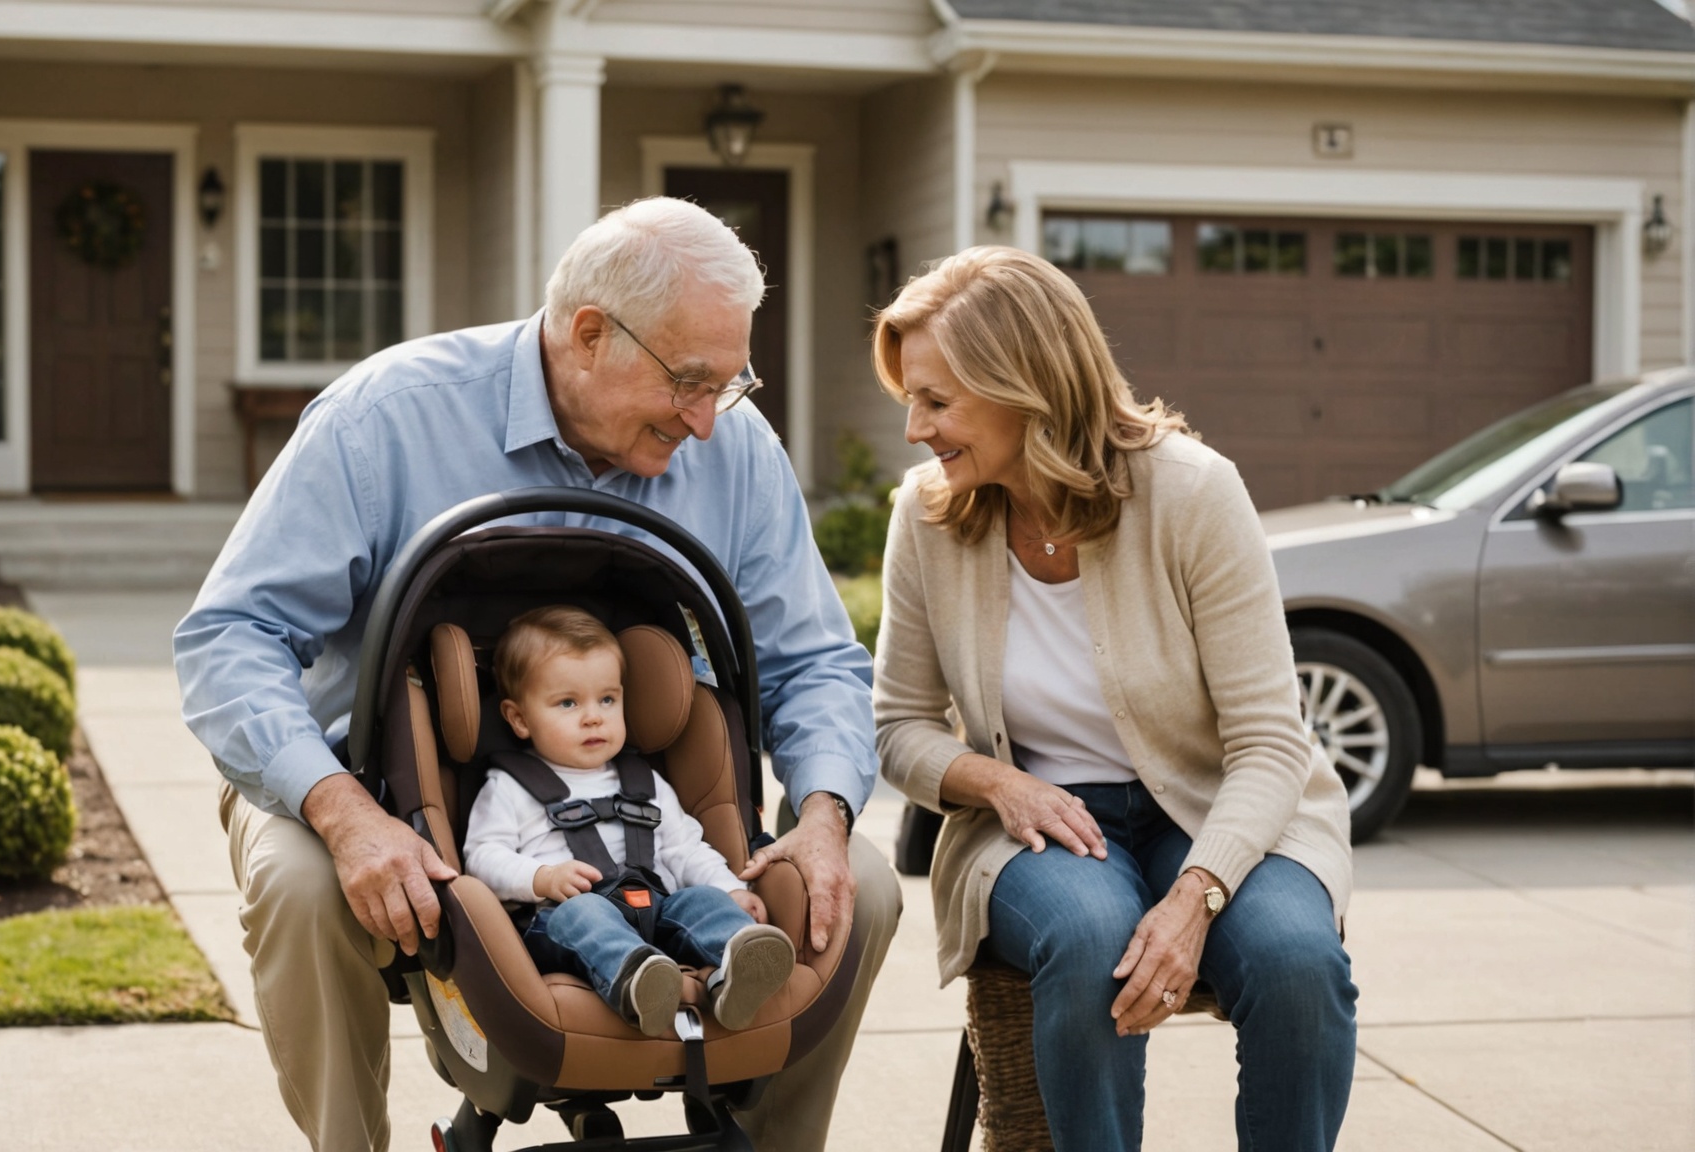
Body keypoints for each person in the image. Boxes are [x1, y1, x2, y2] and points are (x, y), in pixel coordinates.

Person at [174, 197, 900, 1152]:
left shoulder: (735, 452)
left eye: (729, 384)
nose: (707, 423)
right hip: (366, 783)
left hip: (632, 805)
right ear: (589, 334)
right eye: (688, 381)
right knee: (304, 890)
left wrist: (822, 817)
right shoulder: (384, 419)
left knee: (866, 894)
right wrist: (346, 816)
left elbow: (813, 660)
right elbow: (230, 635)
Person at [869, 246, 1357, 1151]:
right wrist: (998, 784)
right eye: (911, 398)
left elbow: (1269, 743)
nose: (914, 429)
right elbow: (897, 728)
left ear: (1025, 387)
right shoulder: (927, 514)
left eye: (937, 401)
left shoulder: (1194, 492)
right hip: (1043, 824)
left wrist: (1197, 894)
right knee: (1091, 938)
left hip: (1216, 806)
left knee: (1297, 963)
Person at [464, 605, 797, 1036]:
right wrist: (542, 877)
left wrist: (730, 889)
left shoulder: (646, 781)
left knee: (702, 903)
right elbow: (482, 856)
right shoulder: (509, 787)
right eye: (568, 703)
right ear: (519, 719)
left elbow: (684, 849)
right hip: (561, 917)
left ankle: (736, 968)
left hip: (654, 910)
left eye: (607, 699)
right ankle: (637, 979)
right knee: (583, 913)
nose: (593, 716)